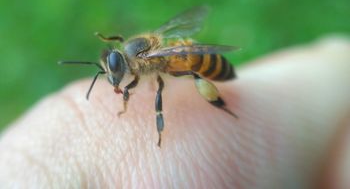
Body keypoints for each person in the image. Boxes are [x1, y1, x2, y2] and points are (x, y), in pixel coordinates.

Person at [0, 36, 349, 188]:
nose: (114, 78)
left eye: (115, 71)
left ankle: (217, 107)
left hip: (204, 64)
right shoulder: (133, 52)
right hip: (185, 53)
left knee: (174, 81)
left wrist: (147, 119)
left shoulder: (145, 61)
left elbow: (155, 87)